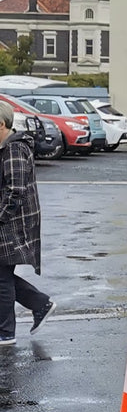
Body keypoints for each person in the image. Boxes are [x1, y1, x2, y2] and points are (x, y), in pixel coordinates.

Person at [0, 102, 55, 346]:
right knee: (2, 275)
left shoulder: (13, 149)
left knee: (1, 277)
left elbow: (15, 191)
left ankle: (6, 333)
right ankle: (40, 303)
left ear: (1, 124)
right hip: (9, 222)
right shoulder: (7, 147)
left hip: (10, 224)